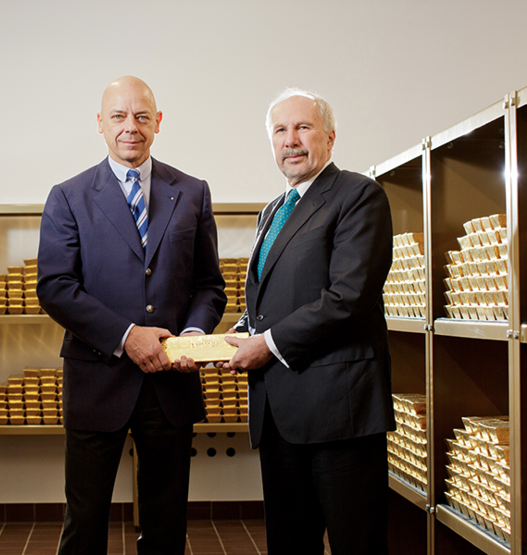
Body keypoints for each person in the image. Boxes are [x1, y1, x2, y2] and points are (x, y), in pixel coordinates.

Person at [37, 75, 226, 555]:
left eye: (142, 116)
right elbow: (55, 287)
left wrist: (191, 336)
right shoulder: (68, 196)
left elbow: (208, 286)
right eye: (119, 116)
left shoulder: (193, 192)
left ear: (158, 123)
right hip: (97, 378)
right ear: (100, 123)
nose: (131, 127)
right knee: (85, 519)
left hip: (171, 380)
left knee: (166, 522)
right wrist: (127, 336)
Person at [222, 88, 395, 554]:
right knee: (290, 543)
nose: (291, 140)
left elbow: (348, 297)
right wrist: (241, 334)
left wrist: (268, 343)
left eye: (303, 127)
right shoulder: (273, 210)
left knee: (355, 542)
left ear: (330, 137)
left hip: (340, 413)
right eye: (281, 130)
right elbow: (274, 301)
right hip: (280, 413)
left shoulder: (359, 195)